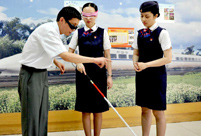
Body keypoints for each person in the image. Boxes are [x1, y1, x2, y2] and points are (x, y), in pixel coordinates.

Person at [18, 6, 110, 136]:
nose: (73, 30)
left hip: (41, 74)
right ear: (62, 20)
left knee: (41, 116)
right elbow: (66, 55)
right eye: (72, 26)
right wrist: (94, 60)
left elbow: (45, 50)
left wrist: (55, 61)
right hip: (31, 75)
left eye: (75, 27)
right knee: (32, 117)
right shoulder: (48, 31)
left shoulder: (55, 33)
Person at [68, 2, 113, 136]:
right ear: (82, 16)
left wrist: (109, 76)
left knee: (98, 110)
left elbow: (107, 56)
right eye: (85, 15)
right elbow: (69, 53)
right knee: (85, 110)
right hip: (83, 75)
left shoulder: (103, 33)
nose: (88, 18)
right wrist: (78, 63)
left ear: (96, 15)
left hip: (99, 75)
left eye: (91, 15)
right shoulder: (78, 33)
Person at [132, 1, 172, 136]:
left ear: (156, 15)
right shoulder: (139, 34)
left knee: (158, 112)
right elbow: (136, 53)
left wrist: (146, 65)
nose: (143, 19)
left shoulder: (162, 33)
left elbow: (168, 58)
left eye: (147, 16)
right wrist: (135, 63)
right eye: (141, 16)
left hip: (157, 77)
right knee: (144, 110)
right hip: (142, 76)